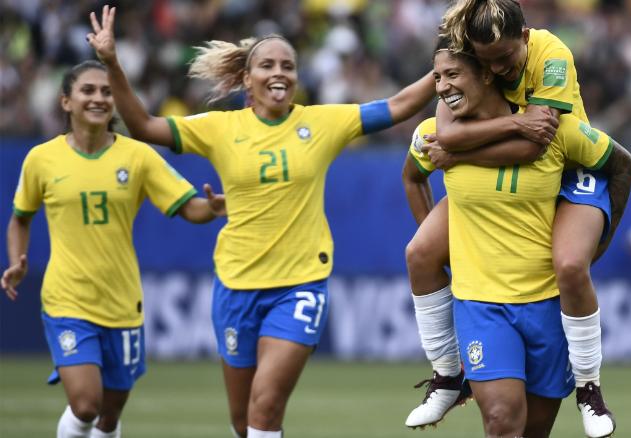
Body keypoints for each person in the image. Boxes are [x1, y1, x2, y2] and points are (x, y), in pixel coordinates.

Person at [86, 6, 436, 438]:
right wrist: (112, 63)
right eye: (267, 64)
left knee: (265, 404)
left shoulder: (322, 122)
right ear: (246, 80)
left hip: (301, 284)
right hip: (236, 286)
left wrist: (445, 69)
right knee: (242, 420)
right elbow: (141, 125)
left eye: (288, 65)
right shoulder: (218, 128)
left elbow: (400, 105)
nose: (279, 72)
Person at [404, 2, 631, 436]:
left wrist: (455, 153)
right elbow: (443, 133)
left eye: (505, 60)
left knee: (569, 264)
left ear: (525, 38)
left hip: (567, 168)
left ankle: (589, 387)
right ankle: (448, 375)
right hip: (501, 187)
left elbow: (535, 144)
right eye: (486, 62)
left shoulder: (551, 54)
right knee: (420, 252)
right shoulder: (462, 67)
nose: (499, 70)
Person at [1, 60, 225, 438]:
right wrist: (16, 262)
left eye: (106, 92)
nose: (99, 98)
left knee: (108, 415)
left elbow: (190, 207)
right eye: (87, 90)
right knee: (85, 404)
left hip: (122, 304)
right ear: (66, 102)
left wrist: (216, 208)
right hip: (67, 300)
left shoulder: (137, 157)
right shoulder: (41, 159)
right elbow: (20, 218)